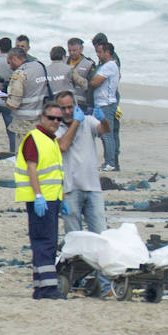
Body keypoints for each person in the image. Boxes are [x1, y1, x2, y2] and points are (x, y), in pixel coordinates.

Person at [54, 90, 112, 298]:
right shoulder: (57, 128)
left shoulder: (87, 121)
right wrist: (75, 123)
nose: (68, 111)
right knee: (75, 240)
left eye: (71, 107)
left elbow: (104, 130)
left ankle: (106, 287)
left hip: (92, 187)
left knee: (101, 237)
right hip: (70, 190)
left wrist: (102, 117)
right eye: (64, 108)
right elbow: (63, 145)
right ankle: (77, 285)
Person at [15, 100, 69, 300]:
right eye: (51, 118)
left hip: (51, 199)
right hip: (41, 200)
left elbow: (54, 174)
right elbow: (32, 168)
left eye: (58, 119)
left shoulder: (51, 140)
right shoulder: (35, 138)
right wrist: (38, 195)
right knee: (44, 243)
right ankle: (47, 290)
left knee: (47, 242)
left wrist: (61, 199)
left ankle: (41, 288)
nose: (55, 121)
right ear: (42, 118)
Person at [6, 48, 52, 154]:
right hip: (41, 119)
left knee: (24, 155)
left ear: (14, 59)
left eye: (9, 62)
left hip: (24, 122)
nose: (9, 66)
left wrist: (6, 100)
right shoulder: (40, 66)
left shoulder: (20, 73)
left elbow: (13, 104)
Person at [89, 41, 120, 171]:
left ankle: (110, 163)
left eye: (100, 52)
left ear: (108, 52)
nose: (97, 54)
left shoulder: (109, 65)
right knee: (104, 134)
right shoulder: (107, 65)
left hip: (106, 103)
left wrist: (90, 81)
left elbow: (95, 82)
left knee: (107, 134)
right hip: (102, 103)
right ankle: (109, 162)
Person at [66, 38, 96, 114]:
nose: (72, 53)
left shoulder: (89, 64)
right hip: (65, 102)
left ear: (81, 49)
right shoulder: (63, 61)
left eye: (74, 50)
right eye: (69, 50)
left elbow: (91, 85)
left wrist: (91, 105)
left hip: (82, 104)